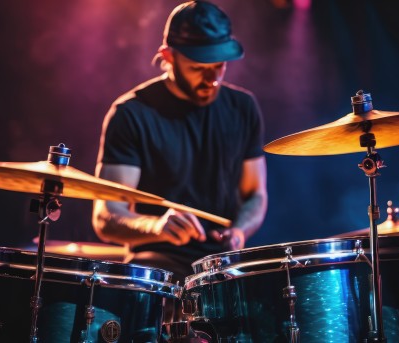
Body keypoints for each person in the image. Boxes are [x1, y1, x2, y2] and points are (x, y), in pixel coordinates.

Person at [92, 0, 268, 315]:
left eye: (219, 66)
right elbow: (106, 216)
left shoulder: (243, 108)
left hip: (221, 263)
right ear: (167, 57)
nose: (212, 78)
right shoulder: (131, 114)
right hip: (158, 266)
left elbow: (255, 194)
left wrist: (240, 229)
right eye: (199, 68)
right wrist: (156, 227)